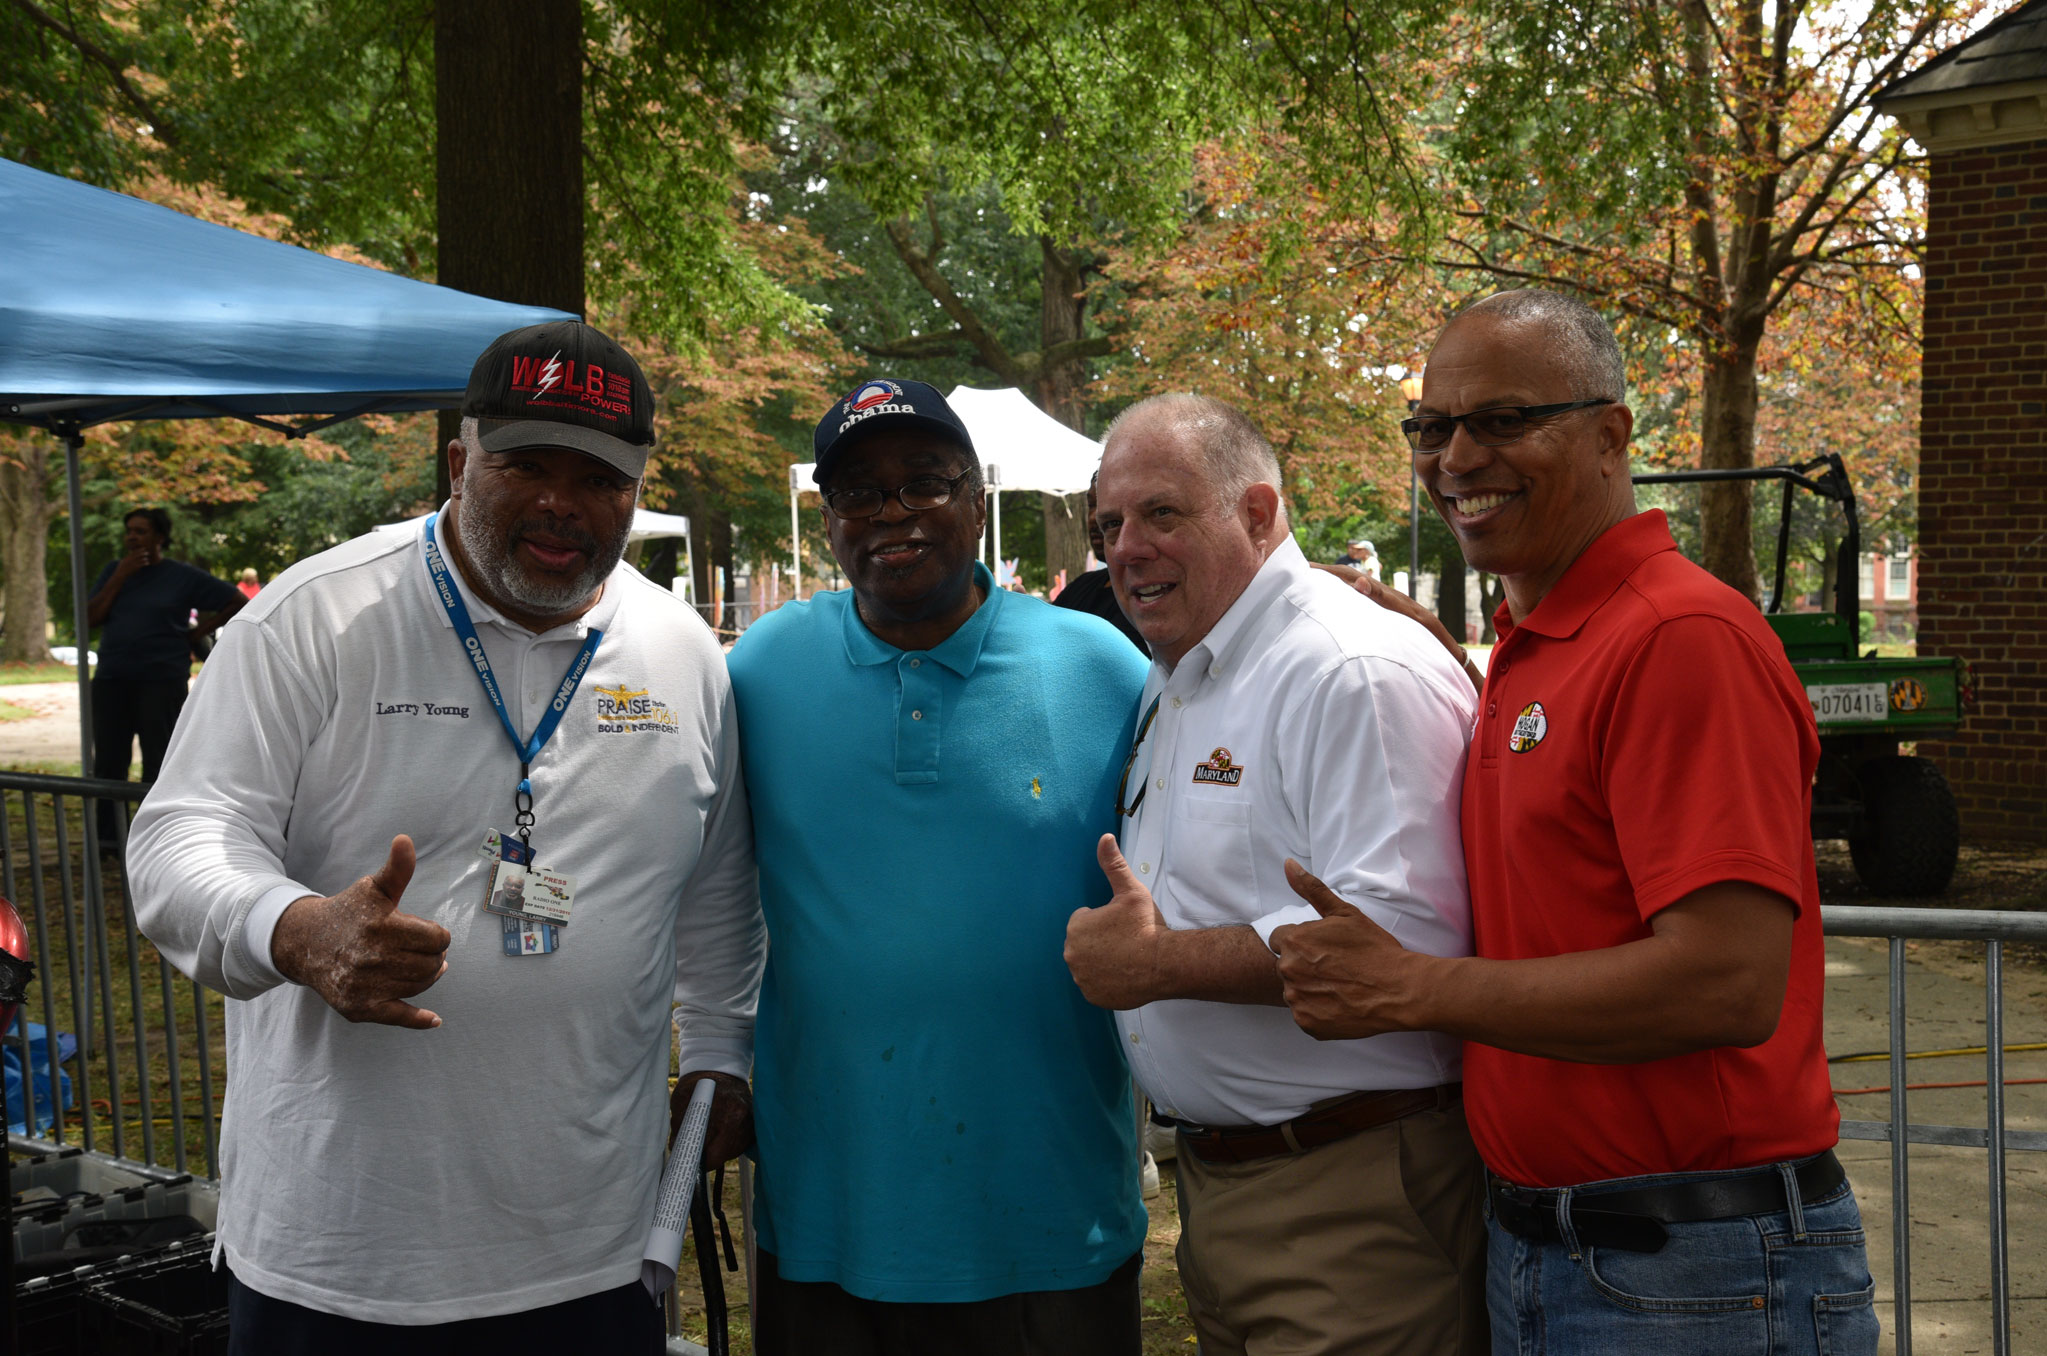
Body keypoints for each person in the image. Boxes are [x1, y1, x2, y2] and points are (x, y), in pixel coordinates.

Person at [127, 320, 766, 1354]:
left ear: (636, 491)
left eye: (598, 477)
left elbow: (718, 890)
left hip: (590, 1249)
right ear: (460, 461)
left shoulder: (681, 651)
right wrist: (291, 928)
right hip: (342, 1258)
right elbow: (178, 841)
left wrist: (724, 1053)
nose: (562, 502)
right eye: (527, 465)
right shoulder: (315, 619)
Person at [1273, 290, 1877, 1353]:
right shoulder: (1541, 640)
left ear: (1610, 436)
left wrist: (1411, 989)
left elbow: (1725, 982)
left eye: (1503, 420)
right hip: (1563, 1252)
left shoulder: (1680, 637)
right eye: (1431, 426)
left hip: (1693, 1271)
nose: (1457, 456)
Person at [726, 378, 1149, 1356]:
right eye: (860, 495)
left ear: (975, 495)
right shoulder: (761, 670)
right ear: (830, 522)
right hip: (832, 1219)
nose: (893, 514)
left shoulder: (1102, 667)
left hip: (1051, 1218)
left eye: (924, 483)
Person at [1062, 394, 1487, 1356]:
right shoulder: (1187, 667)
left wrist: (1159, 965)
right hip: (1235, 1191)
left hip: (1354, 1191)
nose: (1125, 548)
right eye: (1109, 525)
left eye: (1161, 514)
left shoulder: (1347, 667)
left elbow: (1399, 943)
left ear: (1257, 514)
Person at [85, 508, 245, 838]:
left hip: (161, 680)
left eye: (141, 531)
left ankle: (151, 838)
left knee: (158, 761)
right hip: (112, 679)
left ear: (160, 537)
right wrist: (120, 576)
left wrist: (199, 631)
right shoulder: (114, 571)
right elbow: (90, 617)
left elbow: (237, 600)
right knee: (109, 763)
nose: (132, 537)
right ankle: (107, 840)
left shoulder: (181, 576)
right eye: (129, 530)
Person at [1052, 473, 1147, 654]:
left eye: (1106, 505)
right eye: (1091, 505)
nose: (1094, 517)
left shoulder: (1152, 592)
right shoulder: (1081, 587)